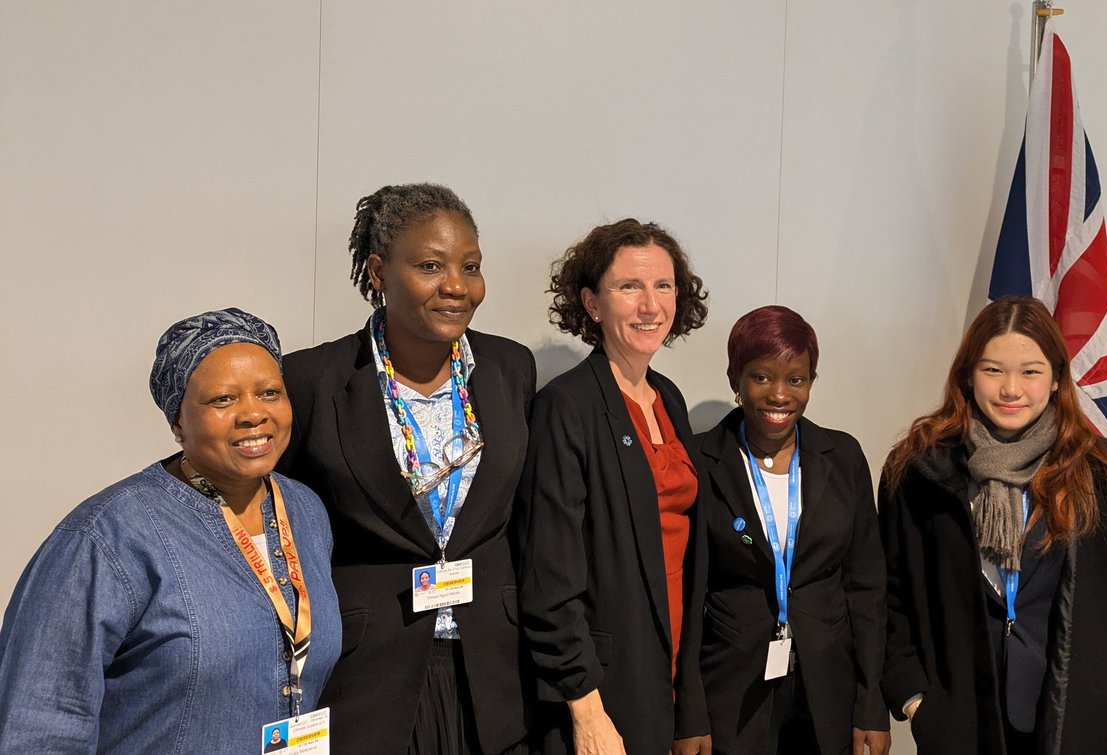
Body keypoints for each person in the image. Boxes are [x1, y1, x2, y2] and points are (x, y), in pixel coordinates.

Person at [0, 308, 340, 752]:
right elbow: (41, 721)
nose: (253, 414)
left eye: (270, 393)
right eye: (223, 400)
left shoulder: (306, 512)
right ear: (177, 421)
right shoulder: (107, 538)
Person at [279, 183, 536, 754]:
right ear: (378, 272)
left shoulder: (509, 368)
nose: (456, 285)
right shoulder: (312, 380)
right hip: (370, 673)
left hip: (494, 674)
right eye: (430, 266)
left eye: (471, 266)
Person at [878, 296, 1107, 755]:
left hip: (1075, 732)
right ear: (968, 374)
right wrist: (917, 701)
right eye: (993, 370)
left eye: (1030, 371)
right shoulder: (920, 472)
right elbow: (890, 596)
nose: (1010, 389)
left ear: (1057, 378)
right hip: (962, 730)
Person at [516, 218, 711, 754]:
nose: (651, 305)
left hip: (667, 667)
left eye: (663, 286)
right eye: (629, 287)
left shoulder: (669, 397)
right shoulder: (566, 407)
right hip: (603, 687)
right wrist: (586, 708)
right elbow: (548, 581)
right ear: (592, 304)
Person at [697, 306, 890, 754]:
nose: (780, 395)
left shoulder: (843, 457)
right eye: (762, 377)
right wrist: (688, 713)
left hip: (828, 693)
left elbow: (867, 589)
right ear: (735, 379)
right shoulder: (701, 461)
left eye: (796, 379)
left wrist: (871, 702)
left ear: (811, 381)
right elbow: (687, 598)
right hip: (730, 696)